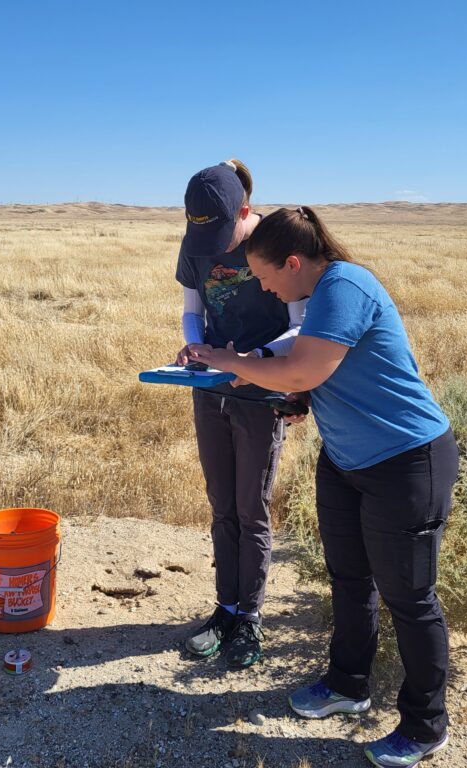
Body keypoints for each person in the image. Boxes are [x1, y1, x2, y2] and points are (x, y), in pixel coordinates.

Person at [188, 206, 459, 767]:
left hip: (406, 461)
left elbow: (301, 368)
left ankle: (426, 724)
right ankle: (348, 685)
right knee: (350, 579)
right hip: (346, 460)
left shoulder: (345, 285)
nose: (261, 286)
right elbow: (320, 375)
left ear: (293, 261)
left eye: (265, 276)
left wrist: (227, 359)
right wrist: (301, 398)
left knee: (410, 599)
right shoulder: (316, 298)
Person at [174, 161, 307, 669]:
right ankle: (224, 610)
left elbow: (301, 326)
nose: (211, 251)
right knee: (221, 504)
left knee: (252, 507)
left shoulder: (275, 243)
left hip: (259, 395)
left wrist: (254, 364)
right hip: (209, 391)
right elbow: (193, 308)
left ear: (245, 213)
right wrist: (195, 346)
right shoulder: (195, 244)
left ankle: (249, 619)